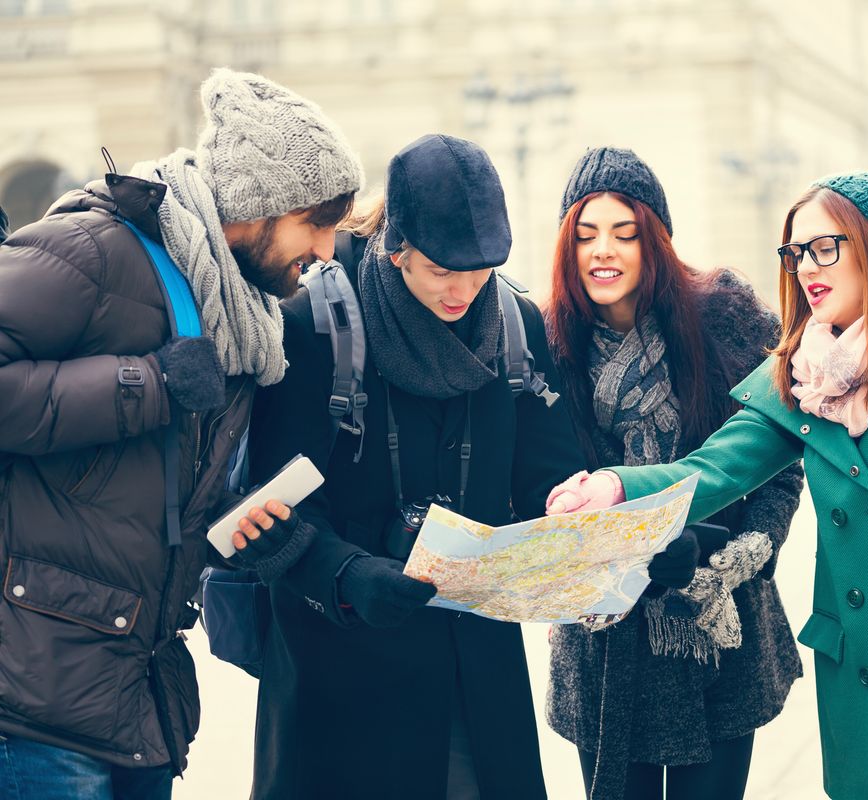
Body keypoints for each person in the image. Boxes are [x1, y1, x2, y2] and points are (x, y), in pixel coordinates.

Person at [547, 172, 868, 800]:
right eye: (795, 254)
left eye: (825, 247)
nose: (805, 269)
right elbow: (712, 470)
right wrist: (614, 489)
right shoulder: (804, 377)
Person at [0, 68, 362, 799]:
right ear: (258, 206)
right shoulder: (98, 251)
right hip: (38, 701)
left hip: (140, 701)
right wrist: (148, 385)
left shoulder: (238, 314)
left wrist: (244, 535)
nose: (325, 247)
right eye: (313, 221)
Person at [244, 134, 597, 799]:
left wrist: (593, 530)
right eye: (444, 269)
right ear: (397, 247)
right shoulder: (314, 325)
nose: (466, 287)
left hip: (474, 680)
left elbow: (548, 478)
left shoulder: (517, 325)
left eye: (483, 266)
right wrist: (347, 576)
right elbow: (271, 506)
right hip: (338, 676)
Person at [541, 147, 805, 800]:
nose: (603, 250)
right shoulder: (549, 343)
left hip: (718, 626)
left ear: (655, 240)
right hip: (606, 647)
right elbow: (546, 483)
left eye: (624, 233)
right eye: (586, 234)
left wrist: (734, 557)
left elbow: (776, 458)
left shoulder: (723, 316)